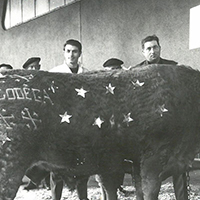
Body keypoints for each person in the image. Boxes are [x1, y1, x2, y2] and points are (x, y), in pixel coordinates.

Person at [136, 35, 189, 200]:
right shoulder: (135, 72)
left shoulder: (174, 68)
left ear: (160, 48)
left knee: (178, 166)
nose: (152, 51)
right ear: (143, 52)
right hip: (148, 130)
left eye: (155, 47)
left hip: (171, 127)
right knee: (145, 169)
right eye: (149, 49)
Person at [49, 39, 88, 200]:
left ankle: (82, 197)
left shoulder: (87, 74)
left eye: (75, 51)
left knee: (82, 164)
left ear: (80, 53)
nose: (71, 55)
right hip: (60, 127)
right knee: (57, 165)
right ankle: (55, 197)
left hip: (80, 125)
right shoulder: (54, 73)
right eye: (68, 51)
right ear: (63, 52)